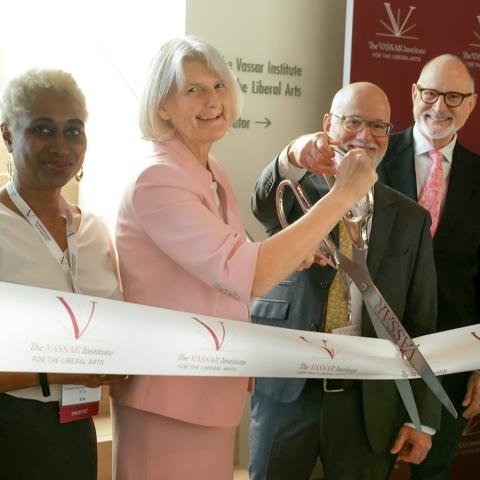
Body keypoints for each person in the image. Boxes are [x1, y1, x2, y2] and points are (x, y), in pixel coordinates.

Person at [111, 36, 377, 480]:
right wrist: (342, 195)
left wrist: (293, 255)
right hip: (168, 396)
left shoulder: (210, 171)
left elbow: (223, 270)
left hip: (209, 388)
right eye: (193, 89)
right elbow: (245, 273)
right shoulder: (157, 179)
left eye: (218, 85)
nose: (212, 99)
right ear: (162, 105)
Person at [249, 82, 440, 480]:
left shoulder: (410, 219)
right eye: (353, 121)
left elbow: (421, 321)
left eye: (378, 126)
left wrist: (422, 416)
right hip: (287, 393)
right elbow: (261, 204)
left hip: (367, 405)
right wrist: (289, 157)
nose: (364, 136)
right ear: (327, 124)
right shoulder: (293, 191)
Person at [0, 68, 124, 480]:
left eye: (74, 131)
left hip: (74, 428)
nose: (61, 145)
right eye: (41, 129)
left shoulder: (93, 231)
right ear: (6, 135)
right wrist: (60, 371)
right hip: (10, 429)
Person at [377, 53, 480, 480]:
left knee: (433, 474)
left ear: (472, 104)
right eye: (431, 93)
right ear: (413, 94)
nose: (440, 107)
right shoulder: (374, 158)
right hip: (375, 354)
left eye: (454, 96)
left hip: (452, 363)